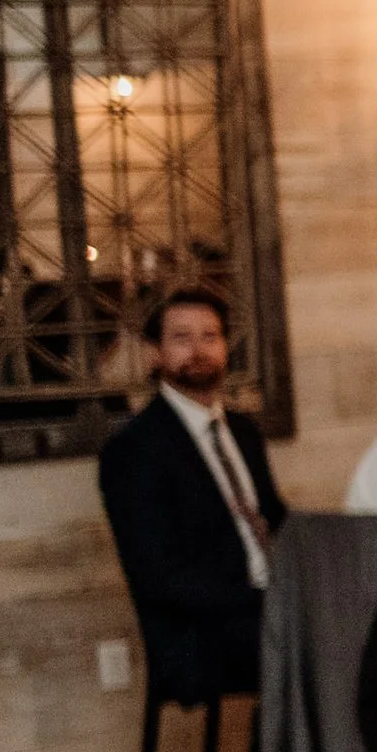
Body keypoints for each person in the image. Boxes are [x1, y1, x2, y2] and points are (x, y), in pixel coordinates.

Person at [98, 285, 289, 713]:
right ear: (155, 354)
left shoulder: (242, 432)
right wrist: (263, 598)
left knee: (363, 623)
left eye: (211, 336)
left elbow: (276, 522)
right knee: (329, 645)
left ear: (225, 347)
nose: (199, 349)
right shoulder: (134, 449)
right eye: (182, 338)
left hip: (268, 612)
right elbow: (159, 576)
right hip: (198, 636)